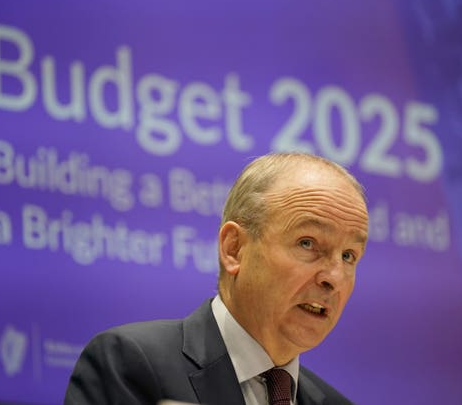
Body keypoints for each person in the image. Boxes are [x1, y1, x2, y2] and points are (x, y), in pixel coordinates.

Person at [65, 153, 369, 405]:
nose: (334, 278)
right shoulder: (131, 365)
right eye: (308, 243)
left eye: (348, 256)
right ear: (234, 249)